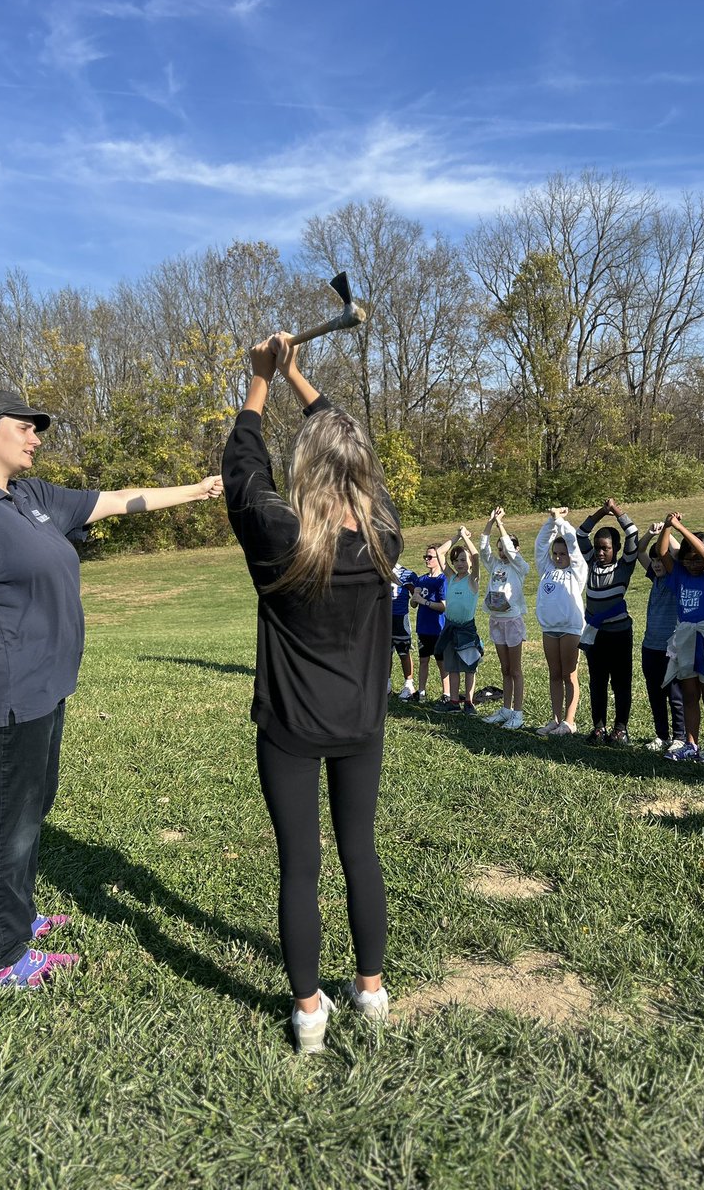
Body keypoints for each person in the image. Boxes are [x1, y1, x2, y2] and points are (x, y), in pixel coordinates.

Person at [0, 390, 224, 996]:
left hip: (45, 690)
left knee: (29, 811)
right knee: (4, 824)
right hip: (4, 695)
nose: (36, 437)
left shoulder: (30, 497)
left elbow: (118, 503)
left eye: (37, 429)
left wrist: (198, 489)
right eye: (24, 427)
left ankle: (17, 918)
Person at [222, 334, 402, 1054]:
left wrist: (262, 381)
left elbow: (243, 468)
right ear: (362, 466)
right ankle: (371, 991)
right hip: (361, 725)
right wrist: (305, 385)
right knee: (360, 851)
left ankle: (308, 1014)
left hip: (291, 729)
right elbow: (345, 447)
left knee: (301, 863)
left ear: (309, 466)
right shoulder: (386, 534)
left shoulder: (282, 533)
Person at [655, 513, 704, 765]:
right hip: (686, 637)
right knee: (689, 693)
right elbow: (663, 551)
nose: (693, 563)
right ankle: (690, 744)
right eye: (688, 559)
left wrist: (681, 528)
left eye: (697, 558)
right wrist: (668, 527)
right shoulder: (679, 575)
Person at [577, 497, 639, 745]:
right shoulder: (591, 563)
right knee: (597, 682)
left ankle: (620, 729)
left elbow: (633, 533)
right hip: (597, 635)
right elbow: (581, 533)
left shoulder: (624, 567)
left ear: (616, 549)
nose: (601, 553)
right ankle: (599, 728)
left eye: (606, 548)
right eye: (598, 548)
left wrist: (616, 511)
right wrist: (601, 512)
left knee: (621, 683)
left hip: (620, 635)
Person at [534, 508, 586, 737]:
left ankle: (569, 721)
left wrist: (561, 522)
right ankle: (555, 720)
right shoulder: (546, 569)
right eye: (555, 553)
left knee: (569, 675)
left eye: (562, 554)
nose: (558, 557)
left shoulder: (577, 570)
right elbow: (539, 545)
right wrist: (551, 522)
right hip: (550, 629)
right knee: (554, 674)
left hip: (570, 629)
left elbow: (574, 544)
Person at [637, 522, 686, 754]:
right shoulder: (654, 577)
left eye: (660, 560)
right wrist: (650, 534)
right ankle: (661, 735)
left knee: (674, 694)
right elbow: (639, 552)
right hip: (650, 645)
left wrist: (669, 529)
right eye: (654, 561)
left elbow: (673, 552)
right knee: (655, 693)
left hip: (671, 647)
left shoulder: (676, 579)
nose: (656, 564)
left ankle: (679, 736)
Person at [480, 507, 530, 729]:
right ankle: (505, 710)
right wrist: (491, 523)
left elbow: (510, 550)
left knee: (515, 670)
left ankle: (517, 715)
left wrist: (501, 524)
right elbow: (483, 549)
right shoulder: (496, 565)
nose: (502, 553)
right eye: (499, 549)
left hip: (512, 621)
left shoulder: (520, 566)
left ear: (516, 549)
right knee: (505, 669)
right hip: (496, 620)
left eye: (505, 549)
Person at [434, 527, 483, 715]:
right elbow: (439, 553)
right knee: (453, 667)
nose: (460, 564)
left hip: (467, 629)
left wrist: (465, 538)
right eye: (456, 561)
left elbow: (477, 556)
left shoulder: (473, 579)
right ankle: (454, 701)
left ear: (469, 562)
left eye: (463, 560)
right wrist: (456, 536)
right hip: (450, 627)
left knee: (469, 667)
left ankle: (469, 703)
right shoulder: (451, 578)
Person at [407, 545, 447, 704]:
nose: (426, 559)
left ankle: (447, 694)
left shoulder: (442, 580)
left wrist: (424, 601)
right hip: (423, 627)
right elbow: (414, 604)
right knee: (423, 660)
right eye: (426, 556)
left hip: (438, 628)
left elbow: (443, 606)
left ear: (439, 559)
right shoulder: (421, 579)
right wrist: (414, 598)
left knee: (441, 662)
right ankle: (421, 692)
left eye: (430, 557)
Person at [389, 561, 416, 701]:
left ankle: (409, 684)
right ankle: (386, 684)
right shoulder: (377, 568)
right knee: (385, 652)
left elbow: (416, 593)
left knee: (403, 651)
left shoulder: (407, 573)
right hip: (382, 617)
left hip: (400, 616)